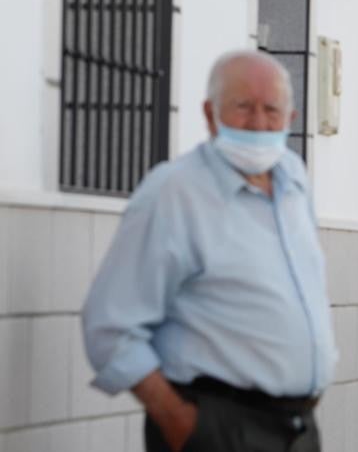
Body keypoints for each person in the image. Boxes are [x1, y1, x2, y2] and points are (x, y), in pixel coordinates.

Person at [82, 50, 337, 452]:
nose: (257, 123)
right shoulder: (174, 192)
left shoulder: (293, 181)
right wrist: (181, 423)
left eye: (271, 109)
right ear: (209, 113)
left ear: (291, 119)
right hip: (216, 427)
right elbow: (110, 327)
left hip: (298, 429)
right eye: (242, 107)